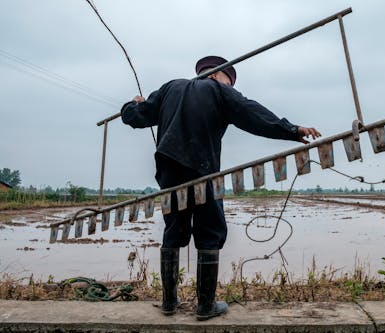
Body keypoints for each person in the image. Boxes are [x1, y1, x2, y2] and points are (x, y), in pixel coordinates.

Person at [121, 56, 321, 320]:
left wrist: (132, 104)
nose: (232, 86)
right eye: (230, 81)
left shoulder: (170, 88)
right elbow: (253, 114)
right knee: (210, 229)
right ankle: (205, 306)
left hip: (168, 168)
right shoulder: (219, 90)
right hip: (203, 169)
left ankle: (169, 303)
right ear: (216, 76)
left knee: (174, 228)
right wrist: (292, 130)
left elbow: (134, 117)